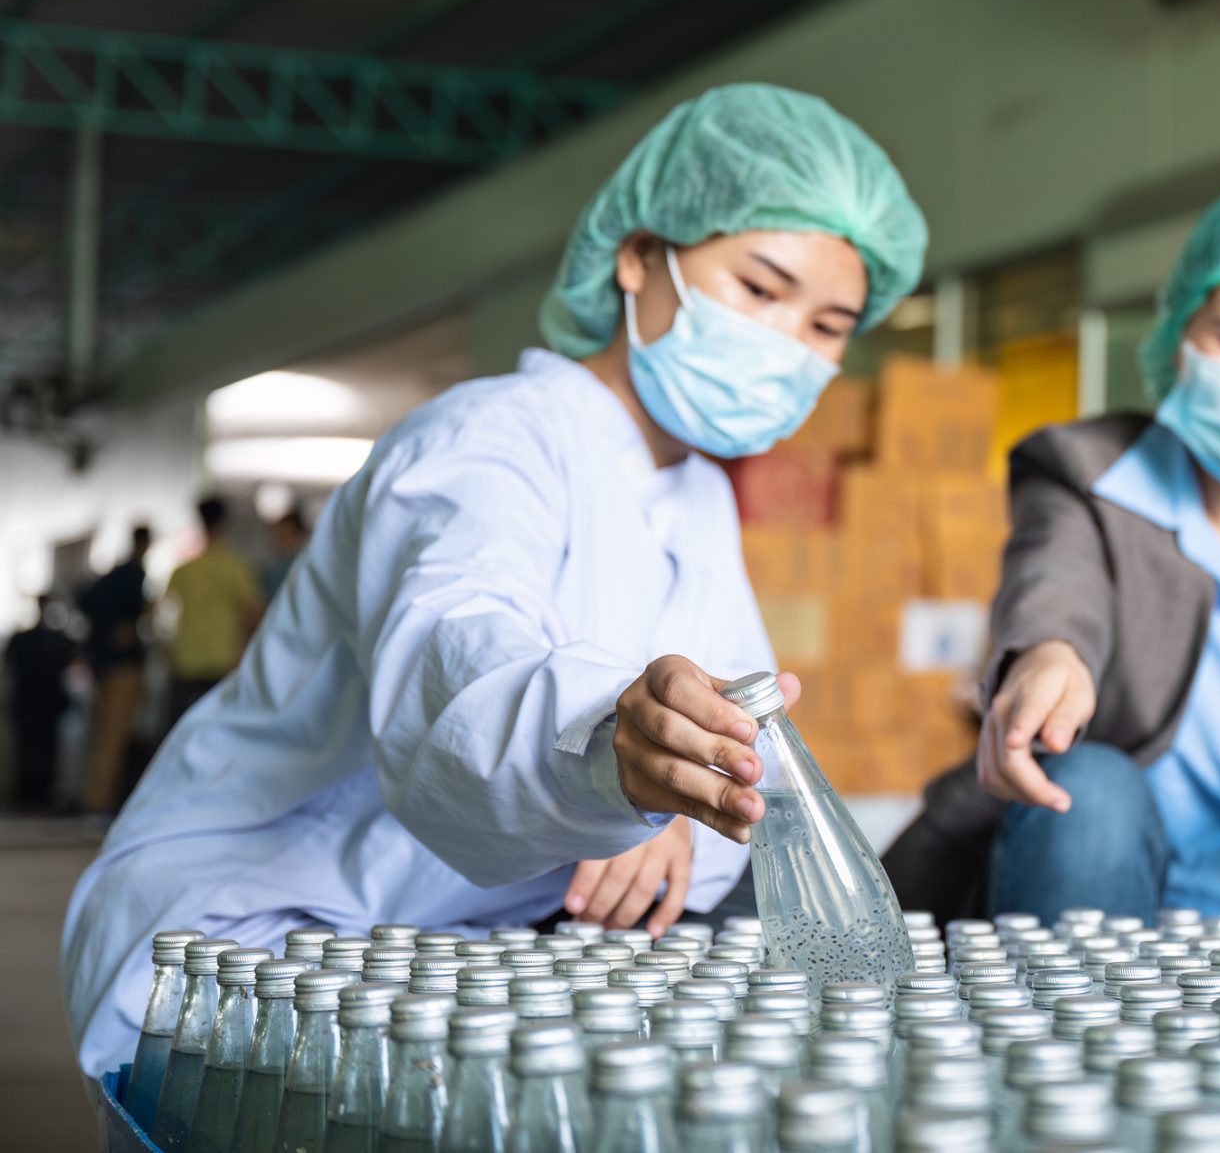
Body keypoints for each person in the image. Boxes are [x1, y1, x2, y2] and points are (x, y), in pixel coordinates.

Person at [62, 83, 927, 1076]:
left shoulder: (697, 495)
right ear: (640, 256)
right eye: (760, 289)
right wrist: (615, 754)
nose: (786, 345)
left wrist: (683, 811)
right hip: (262, 929)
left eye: (828, 324)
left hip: (486, 950)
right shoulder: (481, 439)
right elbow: (458, 656)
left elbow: (739, 753)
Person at [885, 176, 1220, 927]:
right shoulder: (1086, 469)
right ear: (1182, 336)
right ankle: (1071, 1038)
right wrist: (1049, 658)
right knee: (1090, 782)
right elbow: (1055, 588)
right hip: (1091, 914)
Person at [161, 497, 264, 731]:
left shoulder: (184, 570)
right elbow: (253, 612)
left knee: (179, 731)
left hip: (184, 660)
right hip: (223, 660)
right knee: (218, 732)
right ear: (224, 523)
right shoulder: (235, 566)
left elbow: (164, 613)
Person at [76, 525, 152, 814]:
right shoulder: (133, 576)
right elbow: (132, 620)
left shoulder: (109, 577)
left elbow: (84, 601)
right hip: (122, 667)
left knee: (98, 736)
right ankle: (101, 803)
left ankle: (92, 798)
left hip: (101, 665)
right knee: (113, 738)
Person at [5, 595, 78, 810]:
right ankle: (33, 796)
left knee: (35, 750)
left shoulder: (28, 640)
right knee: (37, 750)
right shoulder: (55, 641)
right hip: (40, 702)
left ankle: (32, 796)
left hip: (35, 702)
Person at [259, 508, 309, 600]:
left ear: (299, 536)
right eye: (277, 535)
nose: (278, 541)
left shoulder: (305, 569)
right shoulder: (271, 570)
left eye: (284, 536)